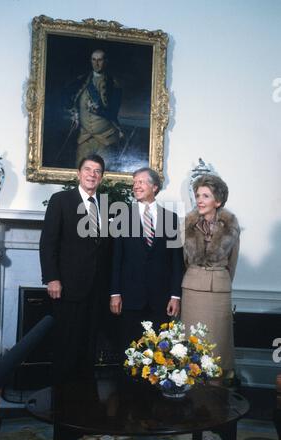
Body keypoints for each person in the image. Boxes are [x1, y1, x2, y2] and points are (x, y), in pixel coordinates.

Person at [39, 154, 111, 383]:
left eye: (97, 171)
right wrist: (52, 278)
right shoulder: (60, 200)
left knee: (89, 349)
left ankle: (84, 408)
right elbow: (48, 242)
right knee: (66, 347)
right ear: (78, 174)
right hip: (67, 287)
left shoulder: (108, 205)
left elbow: (109, 249)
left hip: (97, 290)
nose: (92, 174)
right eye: (88, 169)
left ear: (101, 177)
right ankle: (62, 407)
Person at [110, 167, 185, 358]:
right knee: (128, 351)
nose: (136, 186)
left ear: (155, 187)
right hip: (129, 298)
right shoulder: (121, 217)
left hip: (160, 300)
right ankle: (126, 388)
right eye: (134, 182)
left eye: (141, 182)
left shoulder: (172, 218)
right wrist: (115, 293)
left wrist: (176, 295)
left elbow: (177, 260)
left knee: (158, 353)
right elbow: (116, 258)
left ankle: (152, 389)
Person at [181, 174, 240, 384]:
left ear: (218, 200)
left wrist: (219, 280)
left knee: (217, 349)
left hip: (219, 294)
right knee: (191, 347)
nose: (200, 200)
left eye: (206, 195)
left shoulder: (231, 225)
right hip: (192, 291)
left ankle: (216, 403)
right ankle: (190, 402)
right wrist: (199, 275)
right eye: (198, 195)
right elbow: (184, 261)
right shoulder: (187, 224)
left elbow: (232, 263)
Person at [69, 49, 123, 169]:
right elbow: (71, 102)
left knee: (104, 176)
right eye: (94, 60)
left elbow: (113, 112)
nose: (96, 63)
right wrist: (75, 114)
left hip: (106, 138)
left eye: (100, 60)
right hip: (84, 137)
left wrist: (98, 110)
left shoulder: (113, 84)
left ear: (106, 61)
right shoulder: (82, 80)